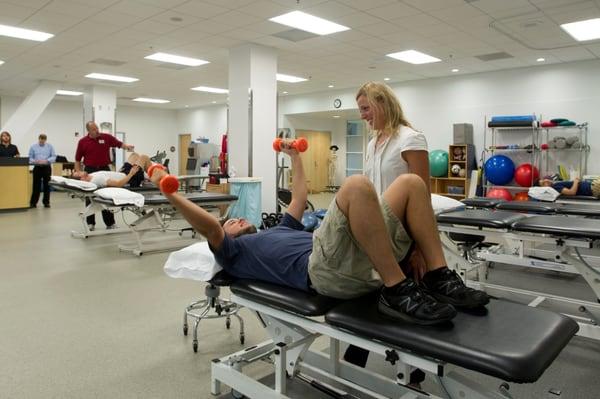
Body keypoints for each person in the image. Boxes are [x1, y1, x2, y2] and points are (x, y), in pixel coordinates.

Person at [150, 141, 489, 326]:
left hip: (357, 257)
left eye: (235, 220)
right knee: (356, 185)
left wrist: (295, 156)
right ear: (227, 237)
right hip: (325, 273)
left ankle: (439, 276)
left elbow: (298, 196)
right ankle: (396, 290)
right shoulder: (236, 254)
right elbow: (209, 226)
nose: (235, 220)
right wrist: (172, 193)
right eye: (230, 224)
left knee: (412, 184)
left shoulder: (280, 227)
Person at [348, 82, 432, 372]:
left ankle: (418, 372)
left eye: (366, 108)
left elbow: (423, 196)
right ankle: (353, 361)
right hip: (376, 233)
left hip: (405, 234)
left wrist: (421, 248)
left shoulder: (411, 139)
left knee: (411, 302)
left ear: (382, 103)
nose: (362, 116)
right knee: (375, 292)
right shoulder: (372, 144)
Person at [74, 121, 135, 229]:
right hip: (90, 171)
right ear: (88, 131)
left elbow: (118, 144)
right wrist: (78, 172)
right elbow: (77, 160)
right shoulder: (83, 142)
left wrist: (127, 147)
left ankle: (110, 223)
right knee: (90, 197)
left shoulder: (106, 137)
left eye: (97, 128)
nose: (97, 130)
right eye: (93, 129)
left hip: (104, 169)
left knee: (108, 196)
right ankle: (90, 223)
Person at [74, 152, 149, 188]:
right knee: (144, 157)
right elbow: (119, 184)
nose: (80, 171)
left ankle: (145, 175)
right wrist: (131, 174)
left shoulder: (90, 175)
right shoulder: (97, 180)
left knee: (134, 155)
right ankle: (149, 177)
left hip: (122, 173)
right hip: (130, 178)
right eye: (78, 173)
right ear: (82, 179)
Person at [28, 134, 56, 208]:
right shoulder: (33, 147)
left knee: (47, 185)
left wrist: (46, 160)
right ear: (39, 139)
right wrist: (35, 161)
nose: (42, 141)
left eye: (44, 140)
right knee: (36, 186)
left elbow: (53, 156)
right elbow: (30, 158)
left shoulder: (50, 146)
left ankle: (46, 202)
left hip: (47, 167)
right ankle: (33, 203)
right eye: (41, 140)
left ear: (45, 140)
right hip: (37, 167)